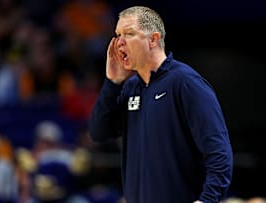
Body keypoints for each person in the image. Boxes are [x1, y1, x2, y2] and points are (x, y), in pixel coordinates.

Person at [89, 6, 233, 203]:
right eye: (117, 34)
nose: (119, 43)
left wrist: (207, 200)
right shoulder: (132, 87)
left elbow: (219, 154)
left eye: (129, 34)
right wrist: (111, 83)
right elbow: (99, 132)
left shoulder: (185, 82)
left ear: (153, 39)